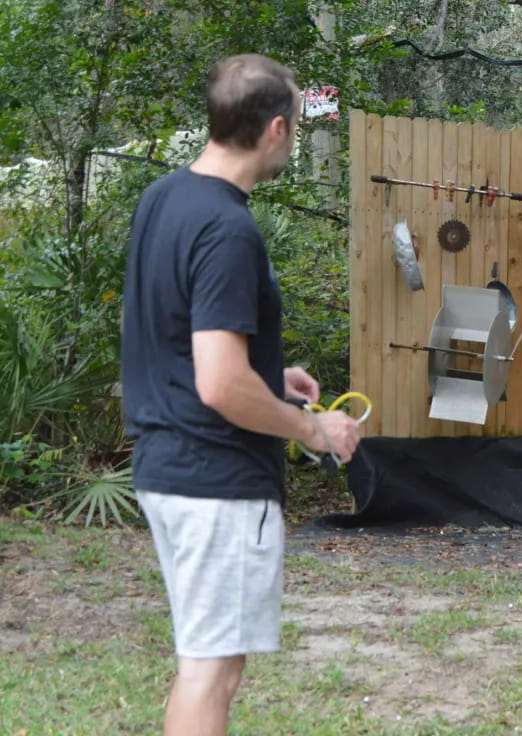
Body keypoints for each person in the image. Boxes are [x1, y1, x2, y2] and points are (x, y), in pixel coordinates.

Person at [120, 54, 360, 736]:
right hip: (215, 479)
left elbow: (168, 332)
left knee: (204, 664)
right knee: (212, 672)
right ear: (277, 130)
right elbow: (219, 384)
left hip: (169, 468)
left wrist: (266, 369)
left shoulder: (164, 197)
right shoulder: (229, 229)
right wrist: (313, 431)